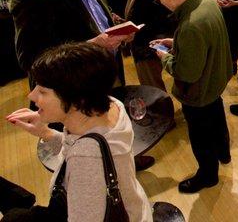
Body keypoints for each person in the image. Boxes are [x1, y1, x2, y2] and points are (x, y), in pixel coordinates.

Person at [4, 42, 152, 221]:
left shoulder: (86, 160)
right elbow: (97, 150)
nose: (32, 96)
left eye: (42, 91)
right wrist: (46, 133)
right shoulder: (112, 105)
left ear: (77, 100)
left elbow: (89, 158)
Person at [147, 0, 232, 193]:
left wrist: (164, 57)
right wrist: (176, 44)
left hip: (198, 91)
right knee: (216, 116)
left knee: (200, 134)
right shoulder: (206, 1)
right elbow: (206, 42)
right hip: (216, 79)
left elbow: (187, 73)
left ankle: (208, 175)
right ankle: (224, 153)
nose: (160, 3)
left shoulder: (190, 25)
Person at [110, 0, 175, 92]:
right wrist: (124, 21)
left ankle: (160, 113)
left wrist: (130, 28)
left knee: (152, 88)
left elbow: (157, 23)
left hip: (148, 49)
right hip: (146, 47)